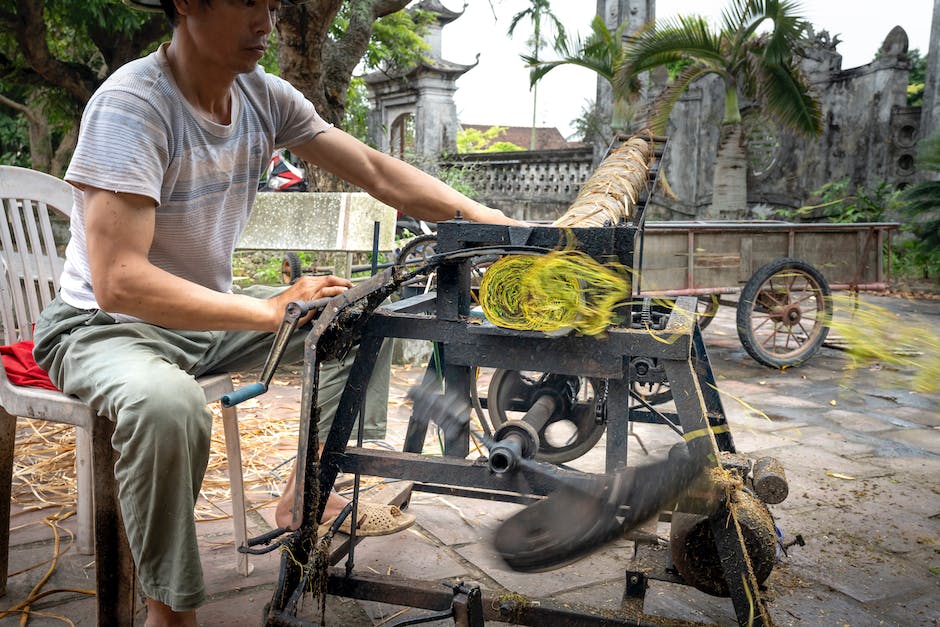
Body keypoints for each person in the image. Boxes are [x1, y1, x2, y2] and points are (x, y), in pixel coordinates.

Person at [31, 0, 518, 625]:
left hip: (203, 323)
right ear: (186, 4)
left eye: (269, 4)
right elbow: (120, 282)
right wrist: (268, 310)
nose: (264, 22)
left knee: (356, 323)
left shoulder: (261, 95)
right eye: (245, 3)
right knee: (168, 404)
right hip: (105, 327)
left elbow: (373, 169)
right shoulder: (134, 106)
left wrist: (485, 220)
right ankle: (169, 609)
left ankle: (303, 499)